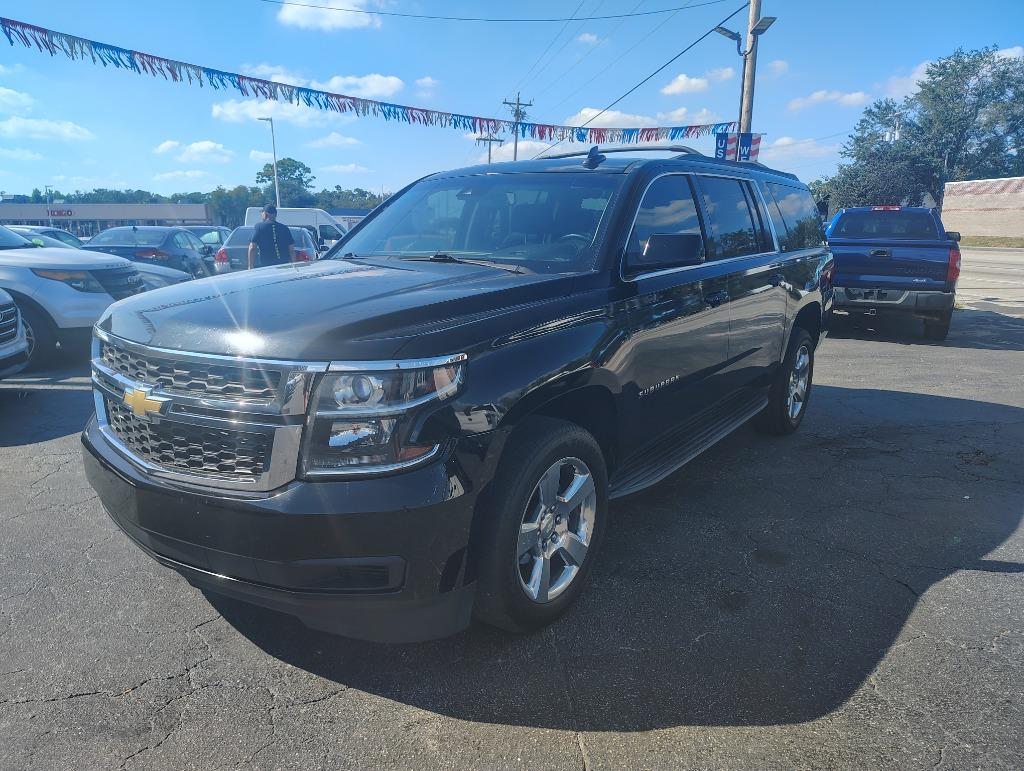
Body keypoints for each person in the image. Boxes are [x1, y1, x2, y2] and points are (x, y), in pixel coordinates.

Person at [247, 204, 295, 269]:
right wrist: (294, 265)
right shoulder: (284, 228)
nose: (261, 215)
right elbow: (291, 250)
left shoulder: (259, 227)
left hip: (267, 266)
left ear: (265, 214)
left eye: (262, 213)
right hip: (284, 266)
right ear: (275, 215)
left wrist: (250, 266)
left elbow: (252, 247)